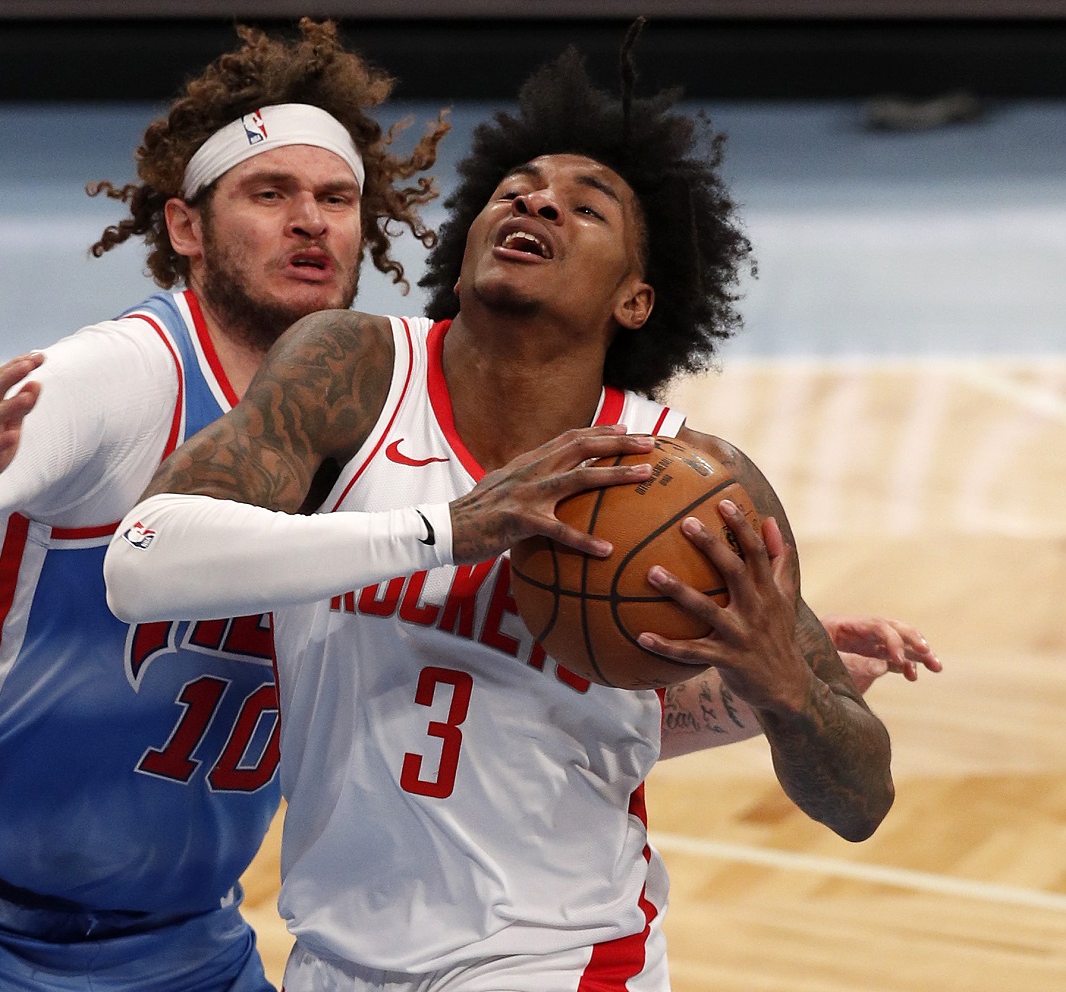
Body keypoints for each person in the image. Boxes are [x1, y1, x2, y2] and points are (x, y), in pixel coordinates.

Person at [104, 39, 909, 991]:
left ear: (636, 297)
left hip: (559, 954)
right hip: (333, 954)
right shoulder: (353, 372)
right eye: (517, 189)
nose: (536, 203)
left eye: (586, 206)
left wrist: (787, 695)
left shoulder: (686, 483)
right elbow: (140, 564)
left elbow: (860, 800)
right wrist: (449, 529)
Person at [0, 20, 446, 992]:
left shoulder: (389, 408)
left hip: (188, 940)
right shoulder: (122, 376)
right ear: (186, 227)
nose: (309, 220)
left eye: (335, 198)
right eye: (270, 194)